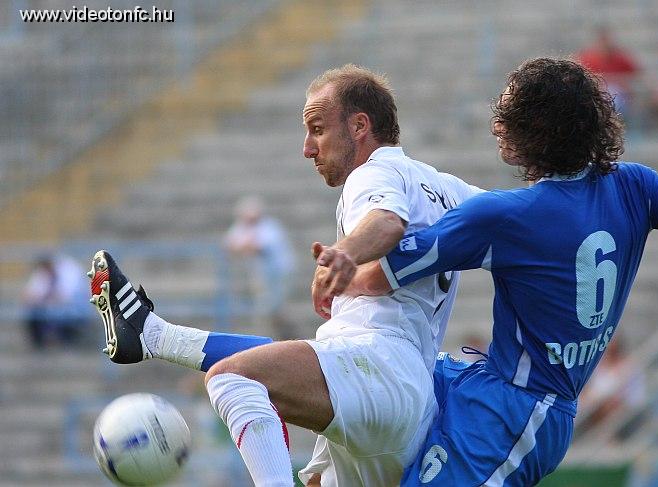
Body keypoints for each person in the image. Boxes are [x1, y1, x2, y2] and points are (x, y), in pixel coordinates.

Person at [313, 58, 658, 485]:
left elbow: (377, 276)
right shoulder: (636, 186)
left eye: (507, 114)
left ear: (532, 131)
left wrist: (336, 275)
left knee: (363, 383)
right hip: (483, 384)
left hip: (517, 413)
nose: (497, 124)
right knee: (355, 406)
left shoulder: (505, 216)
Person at [86, 64, 482, 487]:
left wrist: (343, 255)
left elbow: (386, 221)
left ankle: (154, 337)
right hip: (404, 397)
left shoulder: (373, 174)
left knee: (235, 378)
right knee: (288, 386)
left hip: (381, 368)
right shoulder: (449, 189)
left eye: (317, 129)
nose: (308, 148)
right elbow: (515, 223)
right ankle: (155, 336)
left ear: (359, 126)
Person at [224, 194, 295, 338]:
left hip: (278, 273)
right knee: (268, 307)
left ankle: (282, 333)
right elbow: (229, 244)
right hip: (261, 275)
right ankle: (279, 333)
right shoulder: (242, 227)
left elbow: (258, 246)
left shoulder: (269, 227)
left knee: (273, 305)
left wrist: (244, 247)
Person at [23, 253, 87, 348]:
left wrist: (44, 299)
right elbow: (29, 294)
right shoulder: (42, 272)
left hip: (73, 308)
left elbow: (66, 297)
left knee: (61, 315)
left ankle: (65, 342)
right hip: (50, 308)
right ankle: (40, 345)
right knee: (33, 314)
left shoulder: (69, 270)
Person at [576, 26, 639, 114]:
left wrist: (623, 83)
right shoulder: (588, 58)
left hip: (620, 95)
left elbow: (636, 75)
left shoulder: (621, 57)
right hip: (597, 94)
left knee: (615, 99)